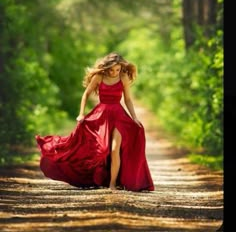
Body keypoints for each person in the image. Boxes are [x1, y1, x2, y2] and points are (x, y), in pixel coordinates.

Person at [36, 52, 154, 192]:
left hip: (119, 116)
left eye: (117, 69)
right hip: (101, 116)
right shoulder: (99, 77)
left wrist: (134, 117)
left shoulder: (123, 77)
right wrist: (81, 114)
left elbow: (127, 99)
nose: (114, 72)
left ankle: (112, 184)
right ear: (106, 67)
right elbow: (86, 94)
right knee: (103, 150)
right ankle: (97, 177)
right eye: (111, 70)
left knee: (115, 149)